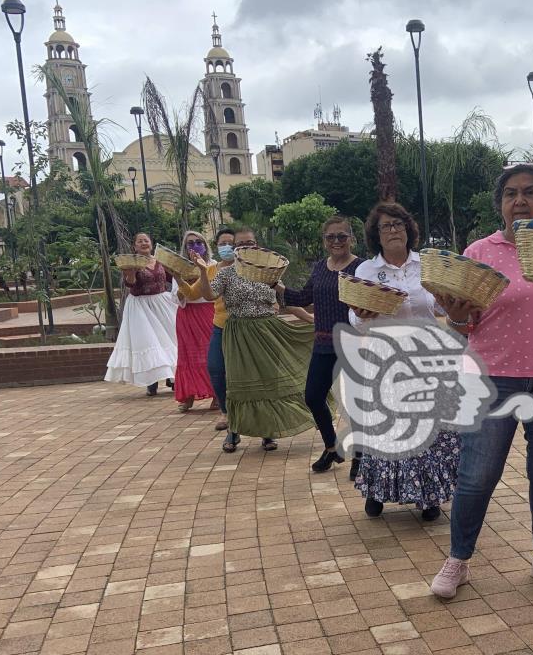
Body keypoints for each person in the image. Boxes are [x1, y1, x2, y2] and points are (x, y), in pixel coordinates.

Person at [429, 164, 533, 600]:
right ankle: (458, 559)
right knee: (476, 476)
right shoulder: (479, 252)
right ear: (500, 204)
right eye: (510, 194)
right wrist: (456, 314)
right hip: (493, 382)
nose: (519, 201)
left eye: (528, 192)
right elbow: (463, 323)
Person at [347, 202, 459, 522]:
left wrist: (455, 304)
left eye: (398, 224)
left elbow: (440, 308)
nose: (394, 230)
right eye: (386, 226)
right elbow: (356, 322)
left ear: (408, 229)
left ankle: (428, 496)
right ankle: (376, 490)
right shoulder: (367, 270)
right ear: (376, 235)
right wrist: (362, 315)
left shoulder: (426, 265)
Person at [194, 243, 316, 453]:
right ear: (236, 250)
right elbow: (209, 295)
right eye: (241, 245)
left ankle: (267, 432)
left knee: (268, 383)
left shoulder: (269, 275)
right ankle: (233, 430)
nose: (246, 249)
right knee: (237, 383)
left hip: (267, 332)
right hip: (239, 334)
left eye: (251, 244)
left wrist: (310, 320)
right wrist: (203, 271)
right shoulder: (227, 273)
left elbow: (286, 300)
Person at [281, 216, 363, 472]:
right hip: (323, 344)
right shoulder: (319, 267)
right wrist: (277, 286)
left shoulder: (362, 268)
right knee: (313, 397)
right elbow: (304, 297)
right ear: (324, 241)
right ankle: (331, 447)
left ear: (351, 238)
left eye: (342, 236)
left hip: (353, 345)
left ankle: (360, 457)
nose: (337, 241)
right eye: (331, 237)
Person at [104, 232, 178, 395]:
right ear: (135, 246)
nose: (144, 243)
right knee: (148, 342)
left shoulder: (160, 261)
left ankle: (171, 376)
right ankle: (151, 381)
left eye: (146, 240)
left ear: (151, 244)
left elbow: (173, 278)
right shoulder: (130, 262)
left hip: (162, 302)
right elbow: (130, 283)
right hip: (140, 306)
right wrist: (130, 272)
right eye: (140, 241)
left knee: (170, 338)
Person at [173, 230, 217, 413]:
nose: (195, 245)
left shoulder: (213, 265)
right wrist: (180, 283)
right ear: (185, 247)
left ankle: (216, 394)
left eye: (198, 242)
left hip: (208, 311)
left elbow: (215, 289)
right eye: (190, 243)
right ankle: (188, 395)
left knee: (210, 354)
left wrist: (201, 272)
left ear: (205, 245)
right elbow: (175, 296)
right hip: (187, 314)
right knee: (188, 355)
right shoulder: (180, 267)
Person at [206, 227, 238, 432]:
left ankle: (261, 426)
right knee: (216, 369)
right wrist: (181, 278)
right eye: (222, 243)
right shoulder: (211, 269)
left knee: (245, 374)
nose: (227, 247)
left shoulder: (247, 268)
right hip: (220, 325)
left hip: (243, 326)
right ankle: (225, 411)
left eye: (231, 243)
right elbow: (195, 294)